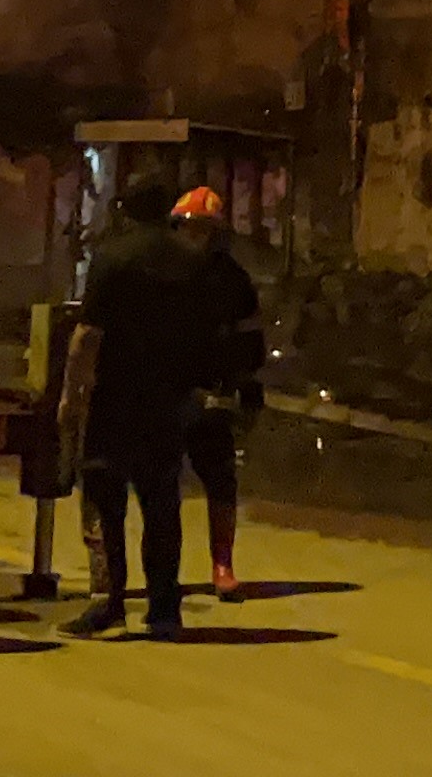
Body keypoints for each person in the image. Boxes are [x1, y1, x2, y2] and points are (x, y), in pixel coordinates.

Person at [68, 178, 239, 639]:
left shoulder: (114, 258)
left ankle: (110, 603)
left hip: (116, 396)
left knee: (107, 500)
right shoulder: (193, 264)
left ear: (125, 211)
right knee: (162, 503)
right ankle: (164, 607)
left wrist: (72, 395)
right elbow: (211, 332)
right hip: (168, 399)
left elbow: (88, 336)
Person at [168, 186, 267, 600]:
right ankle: (161, 574)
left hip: (212, 392)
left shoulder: (232, 279)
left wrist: (243, 384)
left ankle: (222, 564)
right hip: (166, 388)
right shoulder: (161, 270)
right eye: (189, 228)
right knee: (160, 485)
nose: (195, 237)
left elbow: (250, 339)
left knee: (221, 479)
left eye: (203, 229)